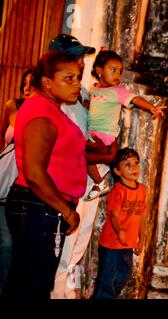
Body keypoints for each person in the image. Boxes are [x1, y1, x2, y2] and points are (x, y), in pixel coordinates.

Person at [1, 51, 86, 300]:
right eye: (68, 78)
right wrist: (68, 211)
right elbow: (35, 172)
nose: (77, 83)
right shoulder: (42, 112)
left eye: (78, 77)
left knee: (23, 284)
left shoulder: (49, 109)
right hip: (39, 207)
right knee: (33, 287)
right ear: (48, 82)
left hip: (39, 206)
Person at [47, 34, 120, 299]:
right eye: (76, 57)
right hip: (66, 184)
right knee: (63, 247)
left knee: (78, 244)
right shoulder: (56, 100)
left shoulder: (84, 93)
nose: (81, 63)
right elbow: (69, 148)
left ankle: (67, 292)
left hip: (88, 182)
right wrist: (103, 156)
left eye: (82, 58)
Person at [84, 49, 166, 201]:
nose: (117, 75)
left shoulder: (117, 91)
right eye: (113, 70)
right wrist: (88, 105)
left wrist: (151, 107)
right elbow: (96, 109)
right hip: (93, 134)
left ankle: (100, 183)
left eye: (119, 72)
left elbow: (135, 99)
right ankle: (99, 181)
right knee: (84, 157)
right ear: (99, 70)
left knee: (83, 156)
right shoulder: (94, 89)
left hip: (104, 136)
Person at [92, 147, 147, 299]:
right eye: (127, 165)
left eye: (136, 163)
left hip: (127, 244)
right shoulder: (118, 190)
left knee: (124, 275)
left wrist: (142, 238)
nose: (134, 167)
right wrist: (120, 231)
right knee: (106, 278)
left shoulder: (142, 189)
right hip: (111, 244)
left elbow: (143, 215)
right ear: (117, 171)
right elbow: (114, 215)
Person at [0, 69, 33, 294]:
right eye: (26, 84)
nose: (29, 88)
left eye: (34, 83)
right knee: (5, 244)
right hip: (5, 184)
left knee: (23, 247)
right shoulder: (14, 106)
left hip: (28, 190)